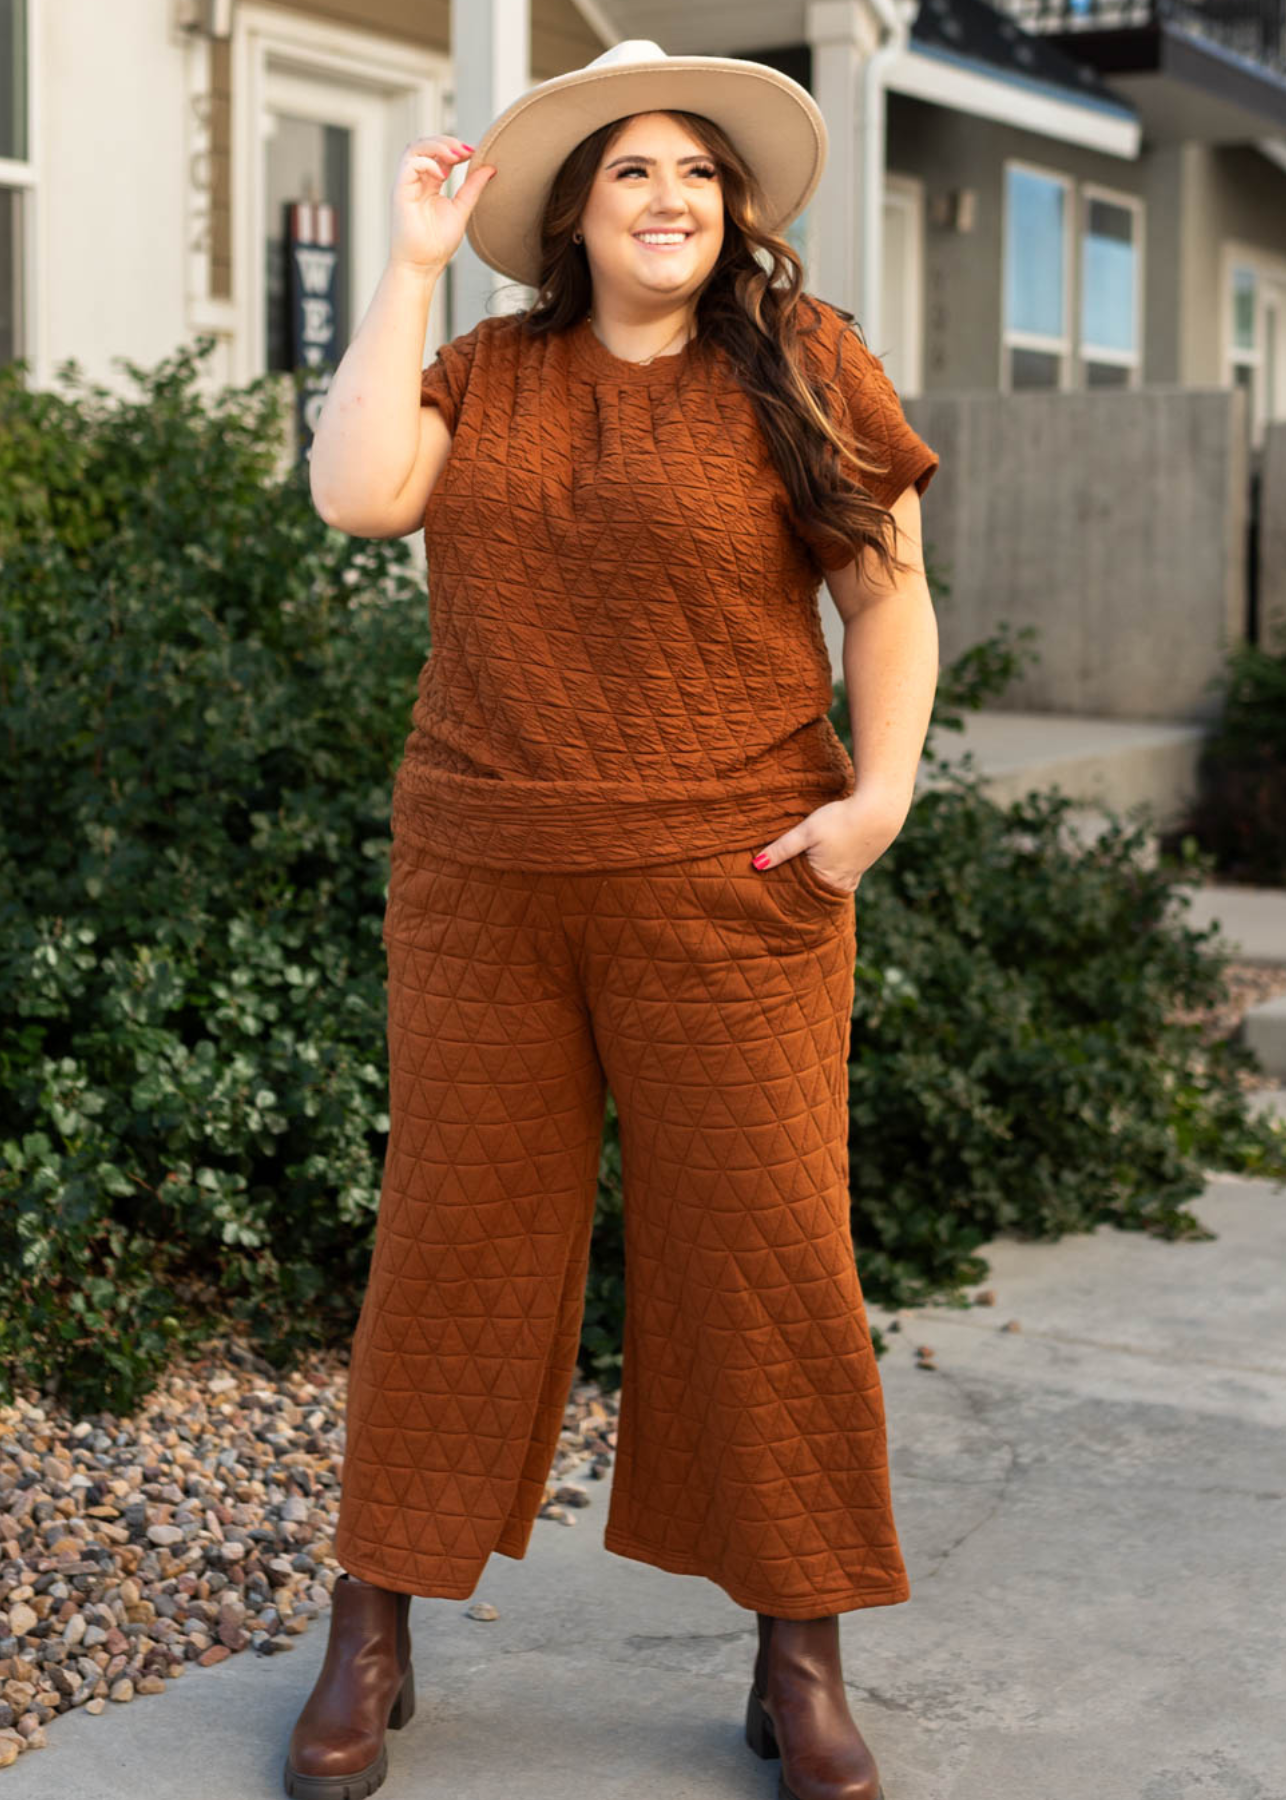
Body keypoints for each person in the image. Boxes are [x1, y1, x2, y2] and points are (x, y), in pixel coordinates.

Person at [286, 38, 940, 1800]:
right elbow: (355, 493)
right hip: (489, 878)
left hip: (739, 886)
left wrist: (873, 801)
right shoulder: (483, 371)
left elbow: (885, 605)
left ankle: (796, 1653)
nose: (672, 197)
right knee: (450, 1243)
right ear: (571, 212)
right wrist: (408, 265)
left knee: (765, 1252)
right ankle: (371, 1634)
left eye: (699, 172)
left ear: (733, 215)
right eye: (632, 170)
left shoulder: (800, 367)